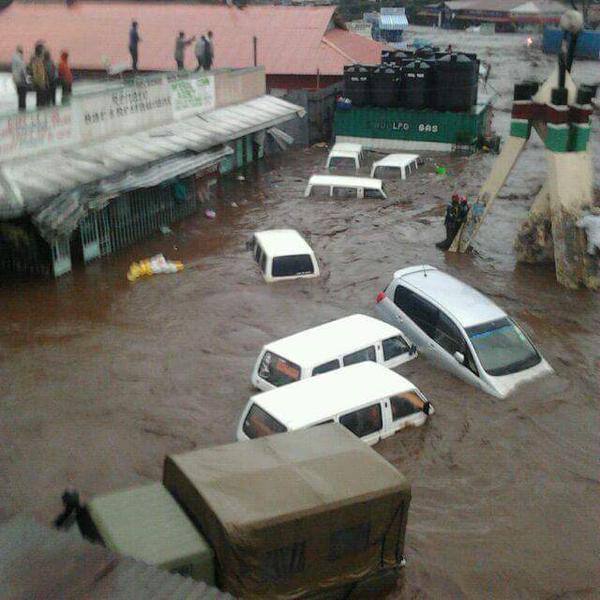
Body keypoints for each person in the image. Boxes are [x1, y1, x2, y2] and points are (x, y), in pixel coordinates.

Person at [29, 42, 48, 107]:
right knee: (41, 102)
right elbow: (35, 73)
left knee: (42, 102)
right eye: (43, 49)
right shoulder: (36, 60)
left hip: (41, 83)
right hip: (39, 84)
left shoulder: (40, 60)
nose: (44, 51)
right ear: (40, 50)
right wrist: (40, 83)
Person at [11, 46, 28, 111]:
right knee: (22, 96)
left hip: (16, 79)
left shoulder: (14, 58)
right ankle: (22, 109)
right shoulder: (19, 59)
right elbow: (22, 70)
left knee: (20, 96)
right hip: (21, 80)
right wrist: (26, 78)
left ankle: (20, 108)